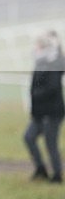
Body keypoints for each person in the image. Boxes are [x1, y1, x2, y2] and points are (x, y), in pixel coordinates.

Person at [24, 30, 64, 184]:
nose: (36, 48)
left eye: (39, 45)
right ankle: (41, 169)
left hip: (52, 112)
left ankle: (57, 175)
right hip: (39, 113)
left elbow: (52, 87)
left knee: (50, 143)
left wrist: (36, 94)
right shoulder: (40, 62)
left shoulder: (54, 63)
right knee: (29, 137)